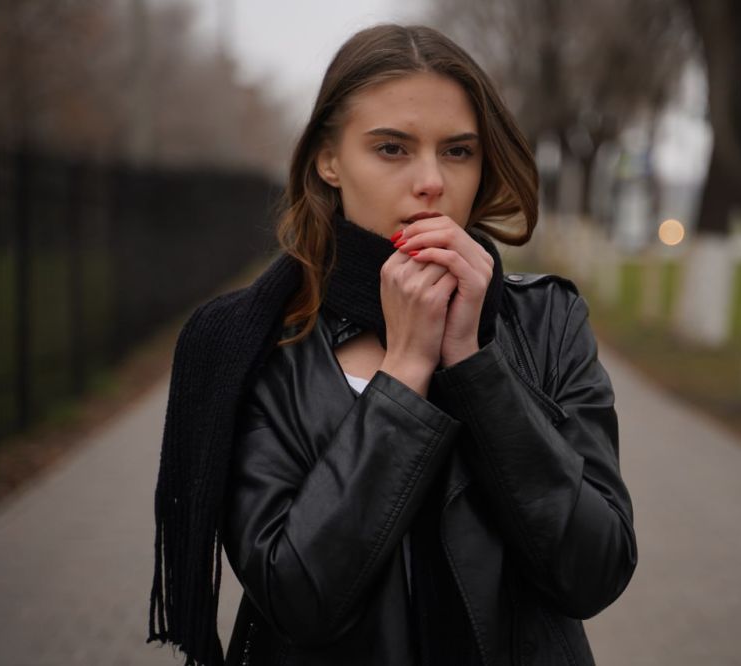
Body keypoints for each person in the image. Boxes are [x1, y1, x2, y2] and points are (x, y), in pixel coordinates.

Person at [147, 23, 636, 666]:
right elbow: (298, 599)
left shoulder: (549, 320)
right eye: (391, 148)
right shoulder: (253, 344)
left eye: (457, 151)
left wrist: (472, 363)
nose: (431, 181)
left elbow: (594, 571)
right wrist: (405, 369)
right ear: (328, 160)